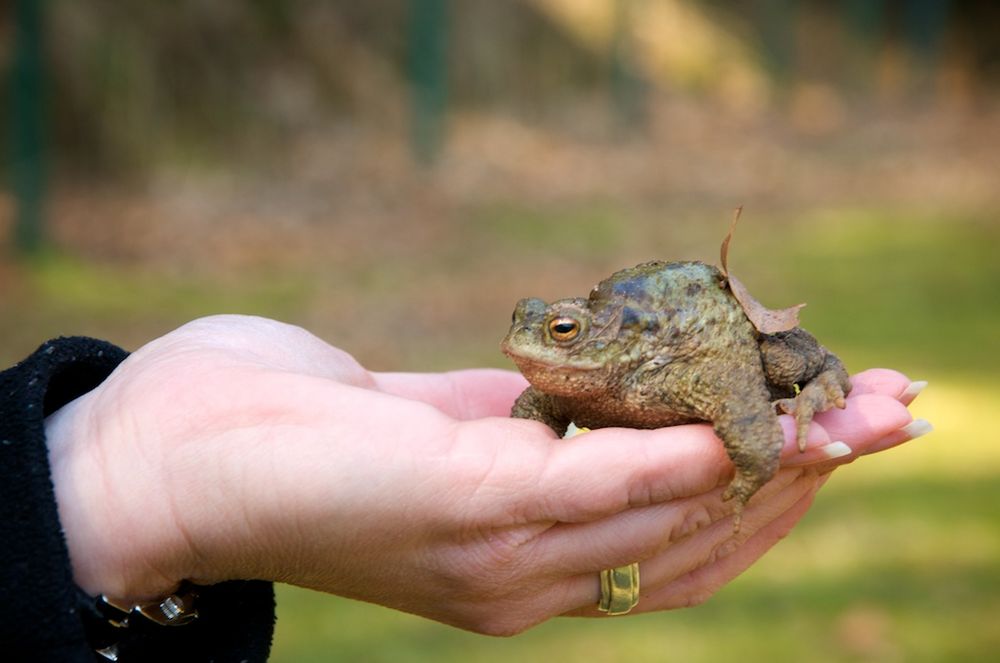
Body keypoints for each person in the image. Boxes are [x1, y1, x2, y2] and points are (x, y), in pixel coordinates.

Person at [1, 314, 929, 662]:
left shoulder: (651, 367)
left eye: (562, 335)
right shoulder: (567, 381)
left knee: (778, 364)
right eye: (539, 334)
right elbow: (534, 399)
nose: (536, 354)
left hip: (699, 330)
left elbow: (728, 379)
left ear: (595, 338)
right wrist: (130, 470)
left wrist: (751, 457)